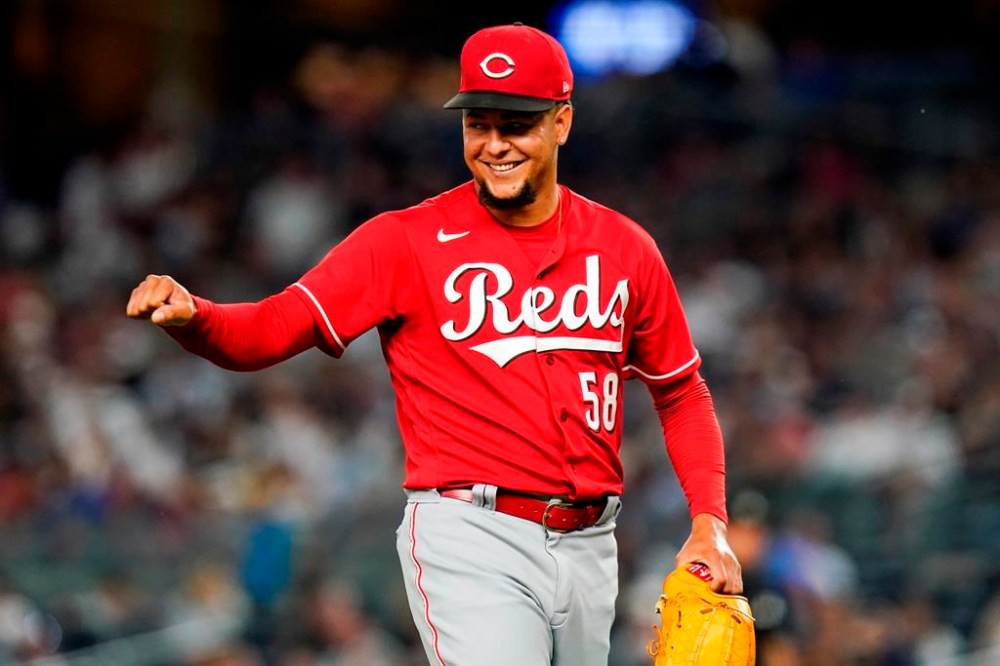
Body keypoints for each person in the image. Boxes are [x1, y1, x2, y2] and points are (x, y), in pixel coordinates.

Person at [126, 23, 742, 666]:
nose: (495, 145)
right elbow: (271, 329)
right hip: (472, 533)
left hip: (593, 544)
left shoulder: (625, 248)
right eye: (479, 125)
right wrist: (195, 316)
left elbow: (680, 392)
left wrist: (710, 522)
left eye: (517, 124)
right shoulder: (405, 240)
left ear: (562, 122)